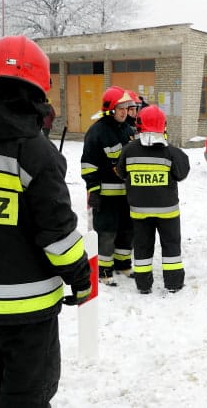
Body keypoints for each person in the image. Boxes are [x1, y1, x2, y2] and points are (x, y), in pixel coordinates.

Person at [0, 35, 91, 406]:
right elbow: (57, 236)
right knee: (28, 394)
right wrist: (80, 276)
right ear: (36, 90)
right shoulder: (35, 152)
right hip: (27, 311)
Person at [116, 105, 190, 293]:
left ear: (139, 126)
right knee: (171, 247)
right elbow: (182, 173)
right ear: (163, 127)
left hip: (139, 212)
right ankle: (173, 284)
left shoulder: (128, 150)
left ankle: (143, 285)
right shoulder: (172, 153)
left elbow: (121, 173)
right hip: (168, 212)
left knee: (142, 247)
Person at [81, 85, 135, 286]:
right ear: (110, 109)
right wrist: (93, 190)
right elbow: (88, 165)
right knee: (107, 232)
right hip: (105, 195)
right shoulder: (96, 132)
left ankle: (123, 264)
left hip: (126, 195)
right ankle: (104, 270)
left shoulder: (129, 130)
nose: (124, 112)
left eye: (126, 108)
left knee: (126, 230)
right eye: (120, 108)